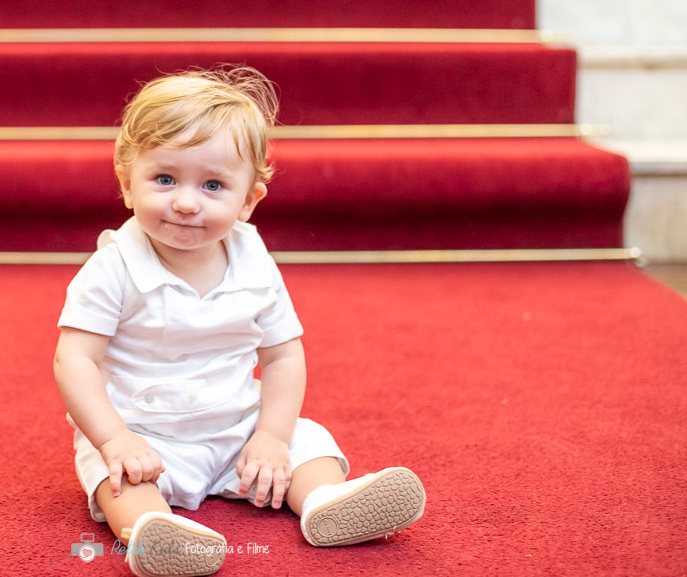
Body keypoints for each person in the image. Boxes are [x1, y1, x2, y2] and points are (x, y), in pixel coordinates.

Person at [53, 67, 425, 577]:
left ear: (248, 201)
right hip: (146, 433)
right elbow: (75, 359)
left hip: (237, 426)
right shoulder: (114, 265)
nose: (185, 202)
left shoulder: (252, 257)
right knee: (114, 476)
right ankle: (151, 530)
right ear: (126, 184)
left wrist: (271, 436)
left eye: (213, 185)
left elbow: (283, 355)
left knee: (306, 439)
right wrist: (115, 437)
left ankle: (322, 500)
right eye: (164, 179)